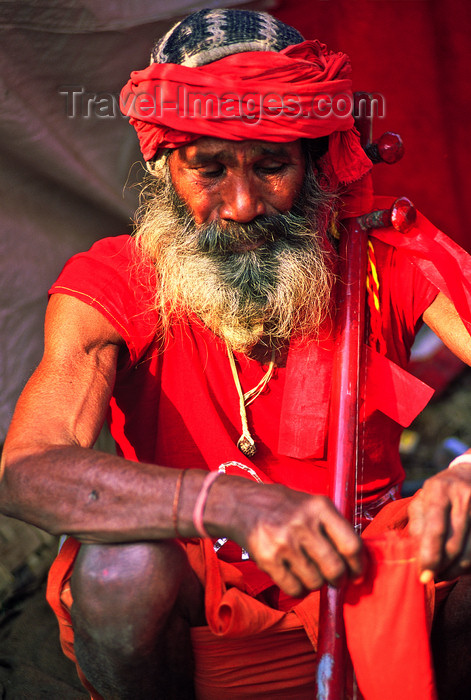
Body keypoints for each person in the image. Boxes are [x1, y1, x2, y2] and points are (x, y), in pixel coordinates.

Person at [1, 8, 471, 699]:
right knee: (117, 572)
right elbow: (27, 472)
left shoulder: (385, 257)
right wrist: (226, 503)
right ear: (163, 168)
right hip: (196, 615)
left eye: (271, 165)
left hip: (374, 585)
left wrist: (467, 475)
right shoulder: (115, 281)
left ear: (314, 161)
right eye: (209, 170)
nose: (244, 203)